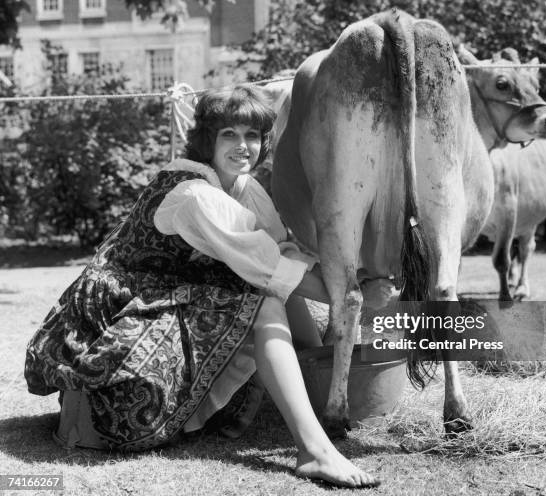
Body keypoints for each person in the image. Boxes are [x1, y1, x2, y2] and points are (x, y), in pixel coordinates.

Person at [24, 84, 393, 488]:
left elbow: (279, 256)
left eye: (252, 135)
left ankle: (316, 393)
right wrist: (349, 296)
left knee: (267, 291)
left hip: (162, 299)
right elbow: (269, 268)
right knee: (263, 300)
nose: (243, 146)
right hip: (119, 317)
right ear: (206, 140)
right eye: (229, 135)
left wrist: (345, 298)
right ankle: (315, 451)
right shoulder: (195, 193)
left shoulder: (243, 188)